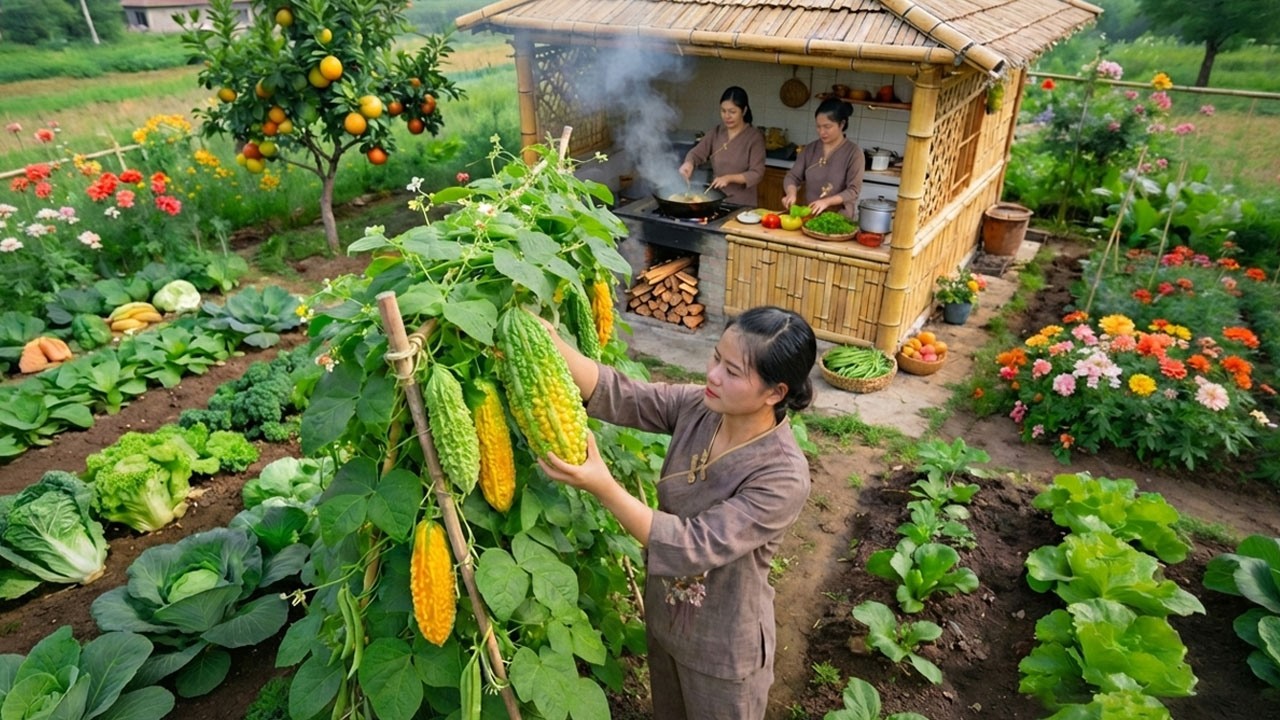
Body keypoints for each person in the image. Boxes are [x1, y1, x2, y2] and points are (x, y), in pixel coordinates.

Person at [538, 306, 817, 720]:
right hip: (667, 617)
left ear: (775, 392)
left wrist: (602, 485)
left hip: (724, 648)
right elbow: (624, 394)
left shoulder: (782, 475)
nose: (713, 375)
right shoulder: (701, 408)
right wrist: (550, 344)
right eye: (716, 358)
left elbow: (693, 544)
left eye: (733, 372)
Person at [678, 86, 767, 206]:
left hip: (742, 205)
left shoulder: (754, 137)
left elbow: (757, 173)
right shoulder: (716, 132)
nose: (727, 116)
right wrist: (689, 163)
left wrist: (729, 178)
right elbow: (696, 153)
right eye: (723, 111)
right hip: (715, 201)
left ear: (744, 110)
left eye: (732, 112)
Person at [782, 97, 864, 218]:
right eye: (818, 127)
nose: (821, 132)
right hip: (810, 217)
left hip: (839, 219)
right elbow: (792, 177)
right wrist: (791, 193)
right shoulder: (810, 149)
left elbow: (853, 191)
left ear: (841, 124)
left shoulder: (854, 153)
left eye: (827, 127)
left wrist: (827, 202)